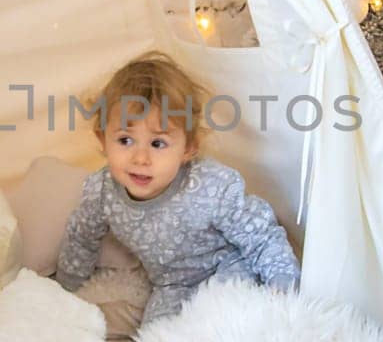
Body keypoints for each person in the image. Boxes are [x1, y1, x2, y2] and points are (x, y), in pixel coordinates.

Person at [55, 51, 300, 326]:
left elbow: (261, 237)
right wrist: (63, 290)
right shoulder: (101, 192)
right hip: (172, 285)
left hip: (229, 266)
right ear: (103, 138)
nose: (140, 158)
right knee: (156, 341)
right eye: (125, 140)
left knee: (223, 320)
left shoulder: (211, 186)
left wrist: (283, 287)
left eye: (157, 144)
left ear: (188, 148)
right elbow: (82, 238)